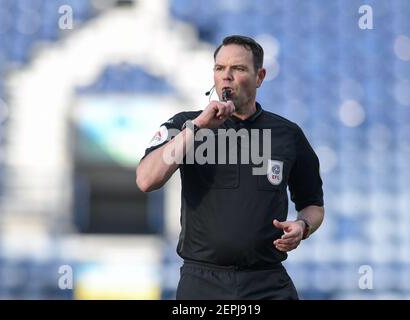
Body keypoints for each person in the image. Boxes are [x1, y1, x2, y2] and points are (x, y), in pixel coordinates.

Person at [136, 35, 324, 300]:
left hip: (266, 282)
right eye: (219, 68)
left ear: (259, 77)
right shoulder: (185, 125)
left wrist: (302, 226)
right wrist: (197, 126)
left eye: (238, 69)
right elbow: (146, 180)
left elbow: (313, 205)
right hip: (201, 283)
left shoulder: (287, 135)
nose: (227, 76)